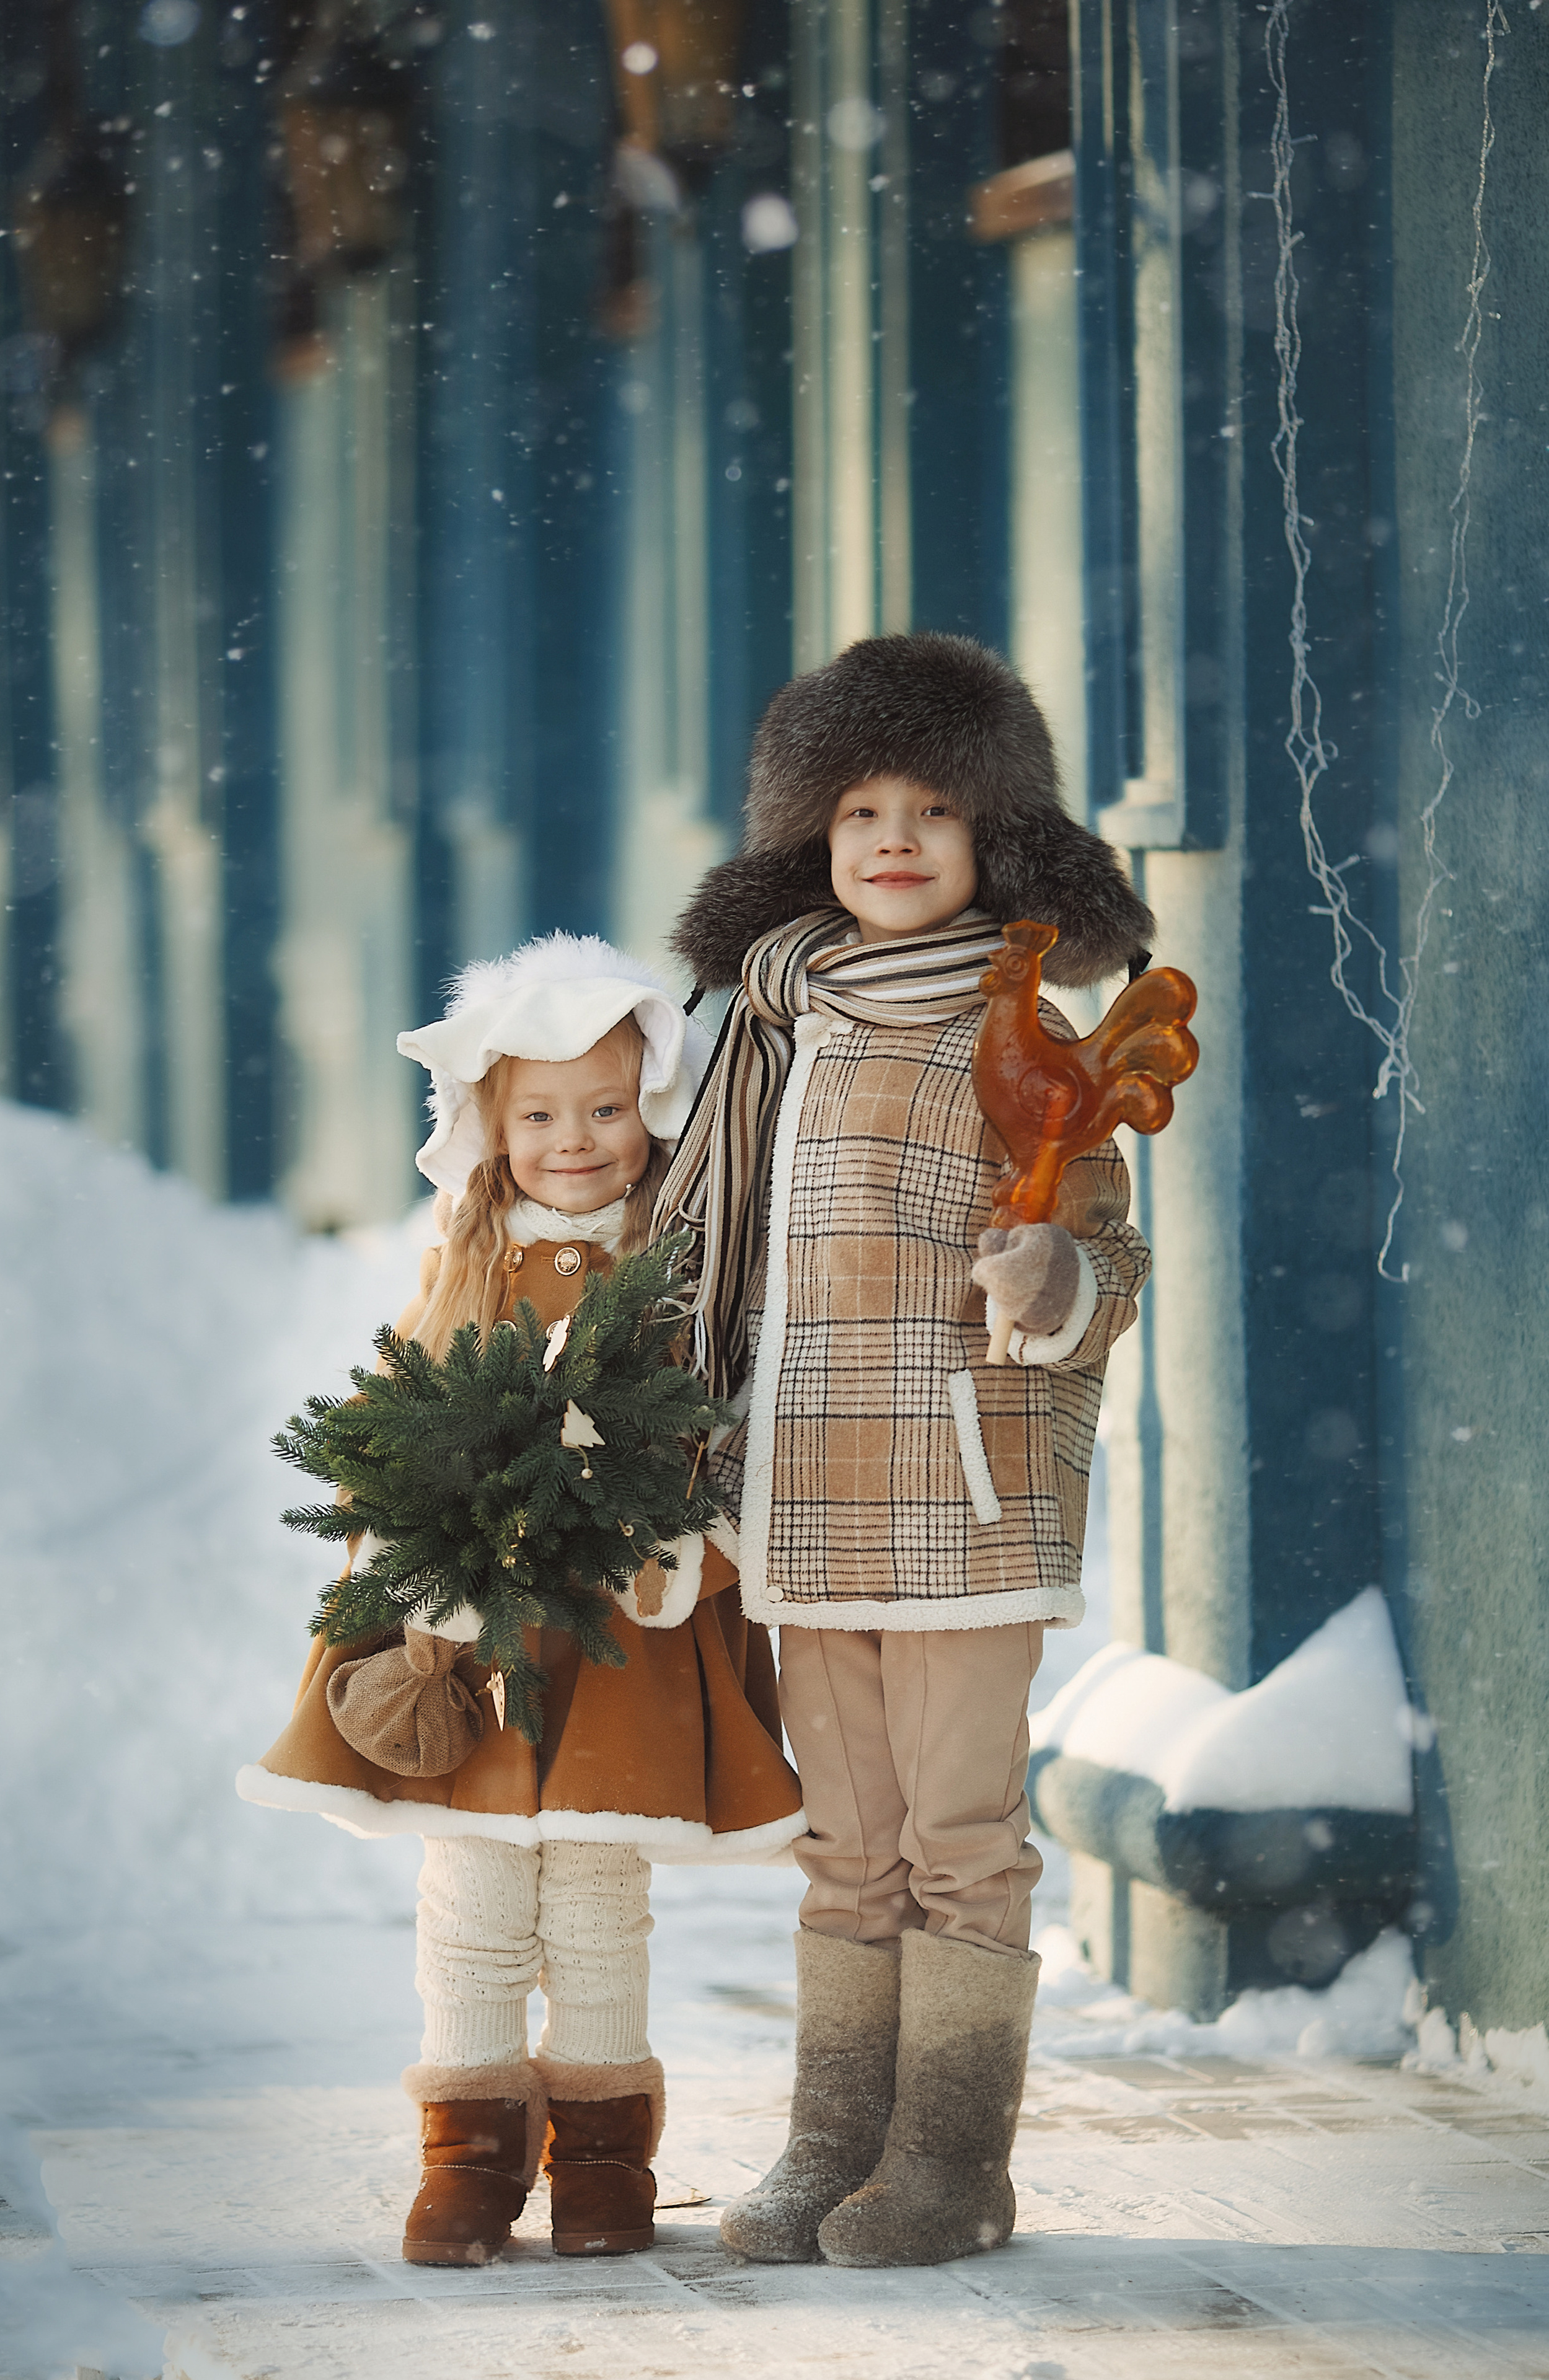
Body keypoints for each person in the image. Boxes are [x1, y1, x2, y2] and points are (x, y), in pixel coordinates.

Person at [654, 633, 1155, 2270]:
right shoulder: (772, 1027)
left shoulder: (1033, 1039)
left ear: (994, 836)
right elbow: (706, 1244)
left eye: (932, 806)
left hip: (962, 1492)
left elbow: (1111, 1258)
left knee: (958, 1839)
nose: (891, 836)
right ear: (811, 835)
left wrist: (1059, 1274)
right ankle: (830, 2141)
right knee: (846, 1841)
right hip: (806, 1492)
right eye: (857, 804)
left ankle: (948, 2158)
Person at [239, 934, 805, 2266]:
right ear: (491, 1126)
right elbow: (404, 1435)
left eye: (606, 1108)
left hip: (624, 1636)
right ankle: (472, 2154)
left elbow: (729, 1441)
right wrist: (419, 1579)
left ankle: (604, 2160)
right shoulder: (465, 1265)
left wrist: (676, 1552)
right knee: (479, 1895)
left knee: (598, 1898)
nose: (575, 1139)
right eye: (540, 1113)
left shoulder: (683, 1268)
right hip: (480, 1630)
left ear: (649, 1113)